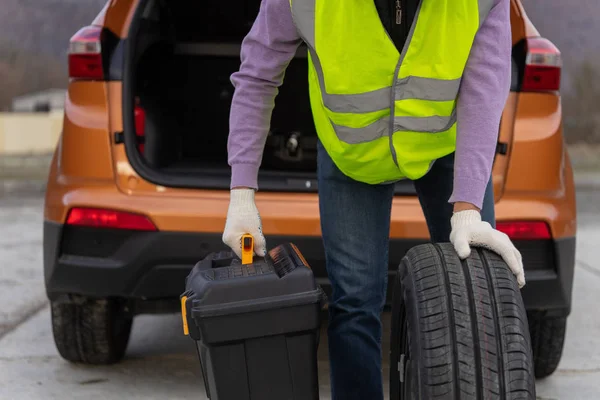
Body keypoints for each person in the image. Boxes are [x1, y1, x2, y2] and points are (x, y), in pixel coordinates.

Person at [222, 0, 524, 398]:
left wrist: (468, 207)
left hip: (444, 145)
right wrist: (241, 194)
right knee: (355, 303)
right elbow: (258, 76)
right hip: (353, 157)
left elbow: (486, 81)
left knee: (477, 285)